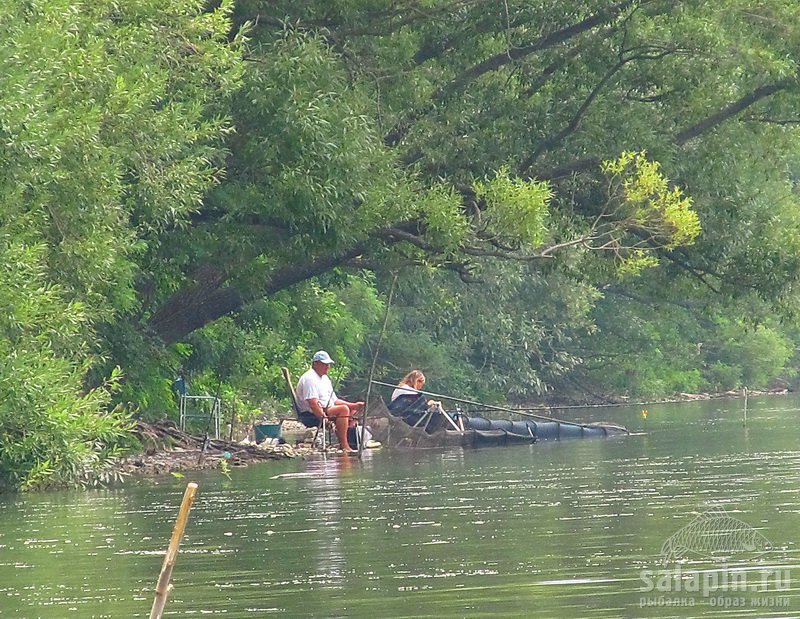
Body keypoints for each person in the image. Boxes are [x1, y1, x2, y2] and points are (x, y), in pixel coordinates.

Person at [295, 350, 364, 453]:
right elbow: (313, 404)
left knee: (351, 410)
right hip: (311, 414)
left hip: (328, 409)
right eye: (324, 364)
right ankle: (344, 445)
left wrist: (354, 405)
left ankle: (353, 442)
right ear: (316, 363)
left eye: (328, 364)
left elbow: (334, 401)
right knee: (344, 410)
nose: (328, 367)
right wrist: (324, 418)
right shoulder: (310, 379)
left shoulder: (325, 379)